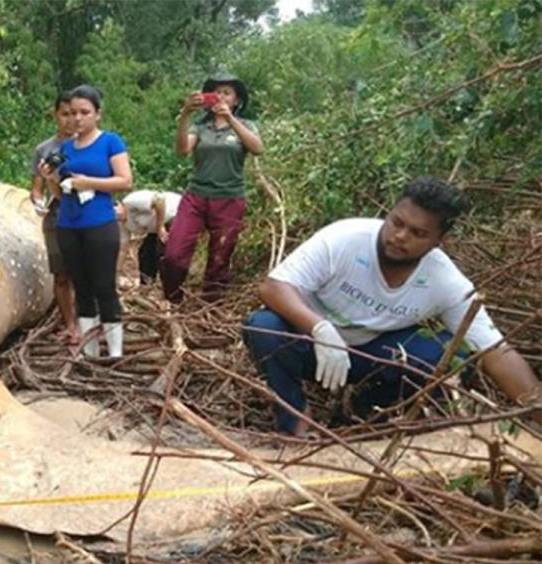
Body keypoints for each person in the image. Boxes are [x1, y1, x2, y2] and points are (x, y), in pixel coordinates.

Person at [242, 177, 541, 437]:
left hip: (374, 355)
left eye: (418, 233)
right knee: (263, 326)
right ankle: (294, 418)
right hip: (313, 347)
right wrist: (319, 328)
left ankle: (366, 413)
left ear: (440, 240)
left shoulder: (444, 280)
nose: (400, 237)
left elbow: (497, 353)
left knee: (452, 353)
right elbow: (273, 287)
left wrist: (536, 410)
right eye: (397, 222)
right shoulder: (345, 239)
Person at [39, 85, 133, 358]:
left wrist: (87, 182)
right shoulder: (66, 148)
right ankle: (90, 351)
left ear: (97, 114)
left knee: (104, 286)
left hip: (100, 222)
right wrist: (51, 178)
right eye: (73, 113)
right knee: (82, 288)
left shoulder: (110, 142)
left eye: (85, 112)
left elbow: (125, 180)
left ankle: (115, 352)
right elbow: (59, 193)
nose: (78, 118)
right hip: (68, 224)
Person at [162, 71, 264, 303]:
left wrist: (231, 120)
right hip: (196, 197)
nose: (220, 96)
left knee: (219, 260)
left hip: (230, 199)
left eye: (227, 93)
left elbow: (258, 148)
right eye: (216, 92)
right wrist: (185, 114)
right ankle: (172, 301)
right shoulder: (200, 127)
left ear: (236, 100)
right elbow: (182, 150)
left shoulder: (245, 125)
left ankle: (209, 312)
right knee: (174, 254)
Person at [30, 92, 78, 345]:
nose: (71, 120)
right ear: (56, 115)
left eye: (77, 114)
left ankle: (86, 322)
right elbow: (36, 187)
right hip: (57, 213)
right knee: (61, 274)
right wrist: (38, 201)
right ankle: (70, 325)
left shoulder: (92, 144)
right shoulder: (44, 150)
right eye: (65, 114)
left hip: (86, 213)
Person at [117, 190, 182, 285]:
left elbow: (159, 200)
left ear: (119, 203)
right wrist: (116, 271)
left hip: (173, 214)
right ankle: (148, 284)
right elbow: (122, 249)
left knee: (163, 250)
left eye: (115, 208)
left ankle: (171, 285)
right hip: (154, 229)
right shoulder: (121, 224)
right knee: (145, 253)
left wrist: (160, 226)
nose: (116, 213)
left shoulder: (131, 201)